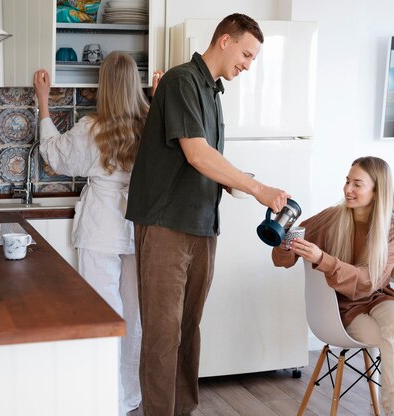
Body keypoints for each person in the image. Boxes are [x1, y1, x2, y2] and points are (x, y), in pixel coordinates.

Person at [125, 13, 290, 416]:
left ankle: (184, 411)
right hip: (166, 226)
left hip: (200, 226)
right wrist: (258, 188)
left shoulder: (212, 92)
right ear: (225, 41)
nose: (248, 65)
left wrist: (247, 185)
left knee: (187, 331)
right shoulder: (183, 80)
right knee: (164, 336)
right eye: (247, 54)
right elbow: (196, 154)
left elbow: (207, 161)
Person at [33, 52, 149, 416]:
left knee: (104, 313)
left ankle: (104, 396)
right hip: (139, 226)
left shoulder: (91, 128)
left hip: (101, 228)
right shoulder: (152, 125)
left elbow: (55, 156)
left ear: (104, 86)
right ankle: (129, 395)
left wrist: (43, 102)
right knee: (135, 316)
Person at [271, 156, 394, 416]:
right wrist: (283, 233)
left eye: (357, 184)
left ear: (377, 190)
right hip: (343, 310)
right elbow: (283, 260)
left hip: (376, 299)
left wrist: (322, 259)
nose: (348, 189)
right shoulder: (330, 219)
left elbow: (368, 282)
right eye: (347, 181)